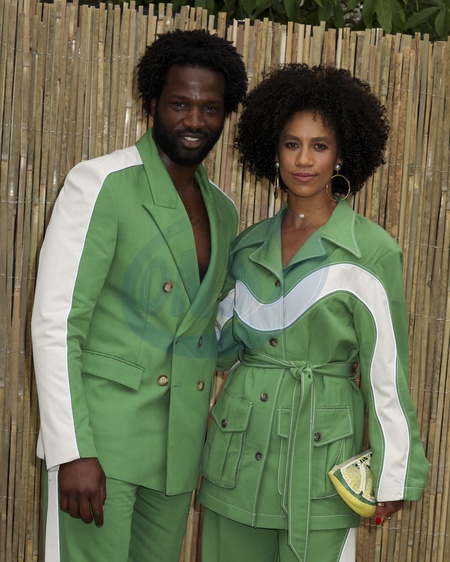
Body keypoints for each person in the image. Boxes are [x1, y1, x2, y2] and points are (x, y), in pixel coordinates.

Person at [31, 29, 247, 562]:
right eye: (179, 104)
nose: (194, 120)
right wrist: (71, 450)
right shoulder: (99, 183)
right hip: (101, 445)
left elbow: (211, 327)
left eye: (210, 108)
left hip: (177, 453)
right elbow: (57, 323)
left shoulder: (224, 211)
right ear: (152, 102)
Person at [198, 64, 429, 562]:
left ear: (341, 154)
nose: (304, 160)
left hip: (321, 468)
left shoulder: (372, 252)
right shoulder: (247, 248)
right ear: (273, 151)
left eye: (319, 145)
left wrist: (392, 473)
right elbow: (216, 349)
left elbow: (385, 371)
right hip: (234, 461)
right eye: (292, 144)